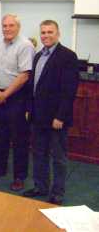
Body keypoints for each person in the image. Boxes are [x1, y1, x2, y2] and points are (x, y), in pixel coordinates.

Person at [23, 20, 78, 205]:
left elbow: (69, 91)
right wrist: (29, 110)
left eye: (50, 32)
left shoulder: (68, 56)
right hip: (38, 117)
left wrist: (60, 116)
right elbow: (33, 87)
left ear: (58, 33)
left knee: (58, 158)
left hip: (56, 119)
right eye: (43, 32)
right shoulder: (38, 56)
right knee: (39, 154)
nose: (46, 35)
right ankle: (40, 186)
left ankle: (57, 193)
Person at [0, 14, 35, 191]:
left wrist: (4, 94)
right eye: (4, 26)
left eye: (11, 25)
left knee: (19, 138)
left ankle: (19, 176)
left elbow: (24, 75)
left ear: (18, 27)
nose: (7, 29)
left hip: (16, 98)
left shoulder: (25, 46)